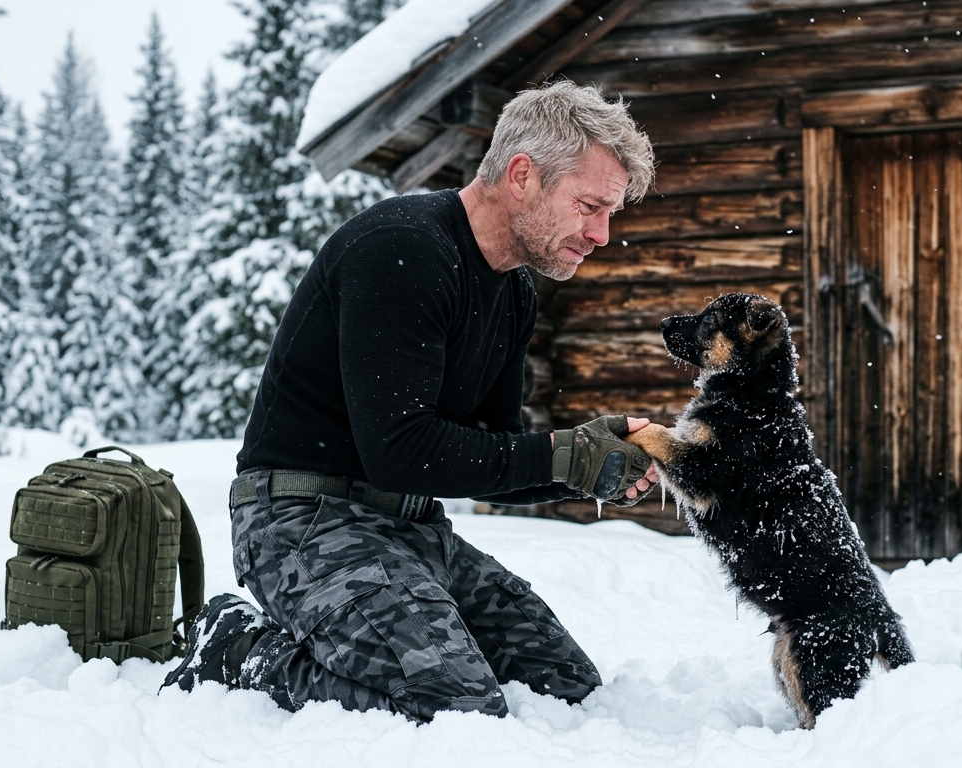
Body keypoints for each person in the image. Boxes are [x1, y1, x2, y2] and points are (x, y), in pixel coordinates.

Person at [160, 81, 659, 722]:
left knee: (564, 685)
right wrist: (563, 458)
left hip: (410, 530)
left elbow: (495, 453)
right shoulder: (403, 249)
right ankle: (235, 650)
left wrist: (595, 466)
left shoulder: (514, 294)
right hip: (301, 521)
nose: (602, 233)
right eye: (590, 206)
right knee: (455, 703)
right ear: (523, 174)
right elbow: (400, 450)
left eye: (609, 213)